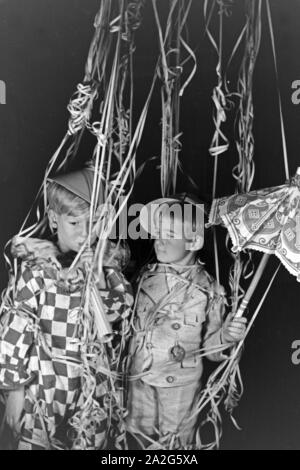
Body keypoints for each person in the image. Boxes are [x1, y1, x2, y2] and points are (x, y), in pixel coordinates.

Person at [0, 166, 133, 450]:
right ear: (53, 220)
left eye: (92, 223)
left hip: (92, 389)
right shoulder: (37, 271)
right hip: (45, 385)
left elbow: (119, 318)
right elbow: (14, 331)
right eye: (74, 223)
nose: (85, 233)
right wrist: (14, 390)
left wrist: (97, 277)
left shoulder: (108, 272)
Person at [126, 194, 247, 449]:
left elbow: (211, 350)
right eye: (157, 233)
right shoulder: (144, 278)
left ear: (192, 240)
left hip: (178, 385)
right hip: (140, 376)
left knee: (175, 445)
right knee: (137, 437)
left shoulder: (208, 292)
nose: (159, 242)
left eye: (169, 235)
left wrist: (227, 335)